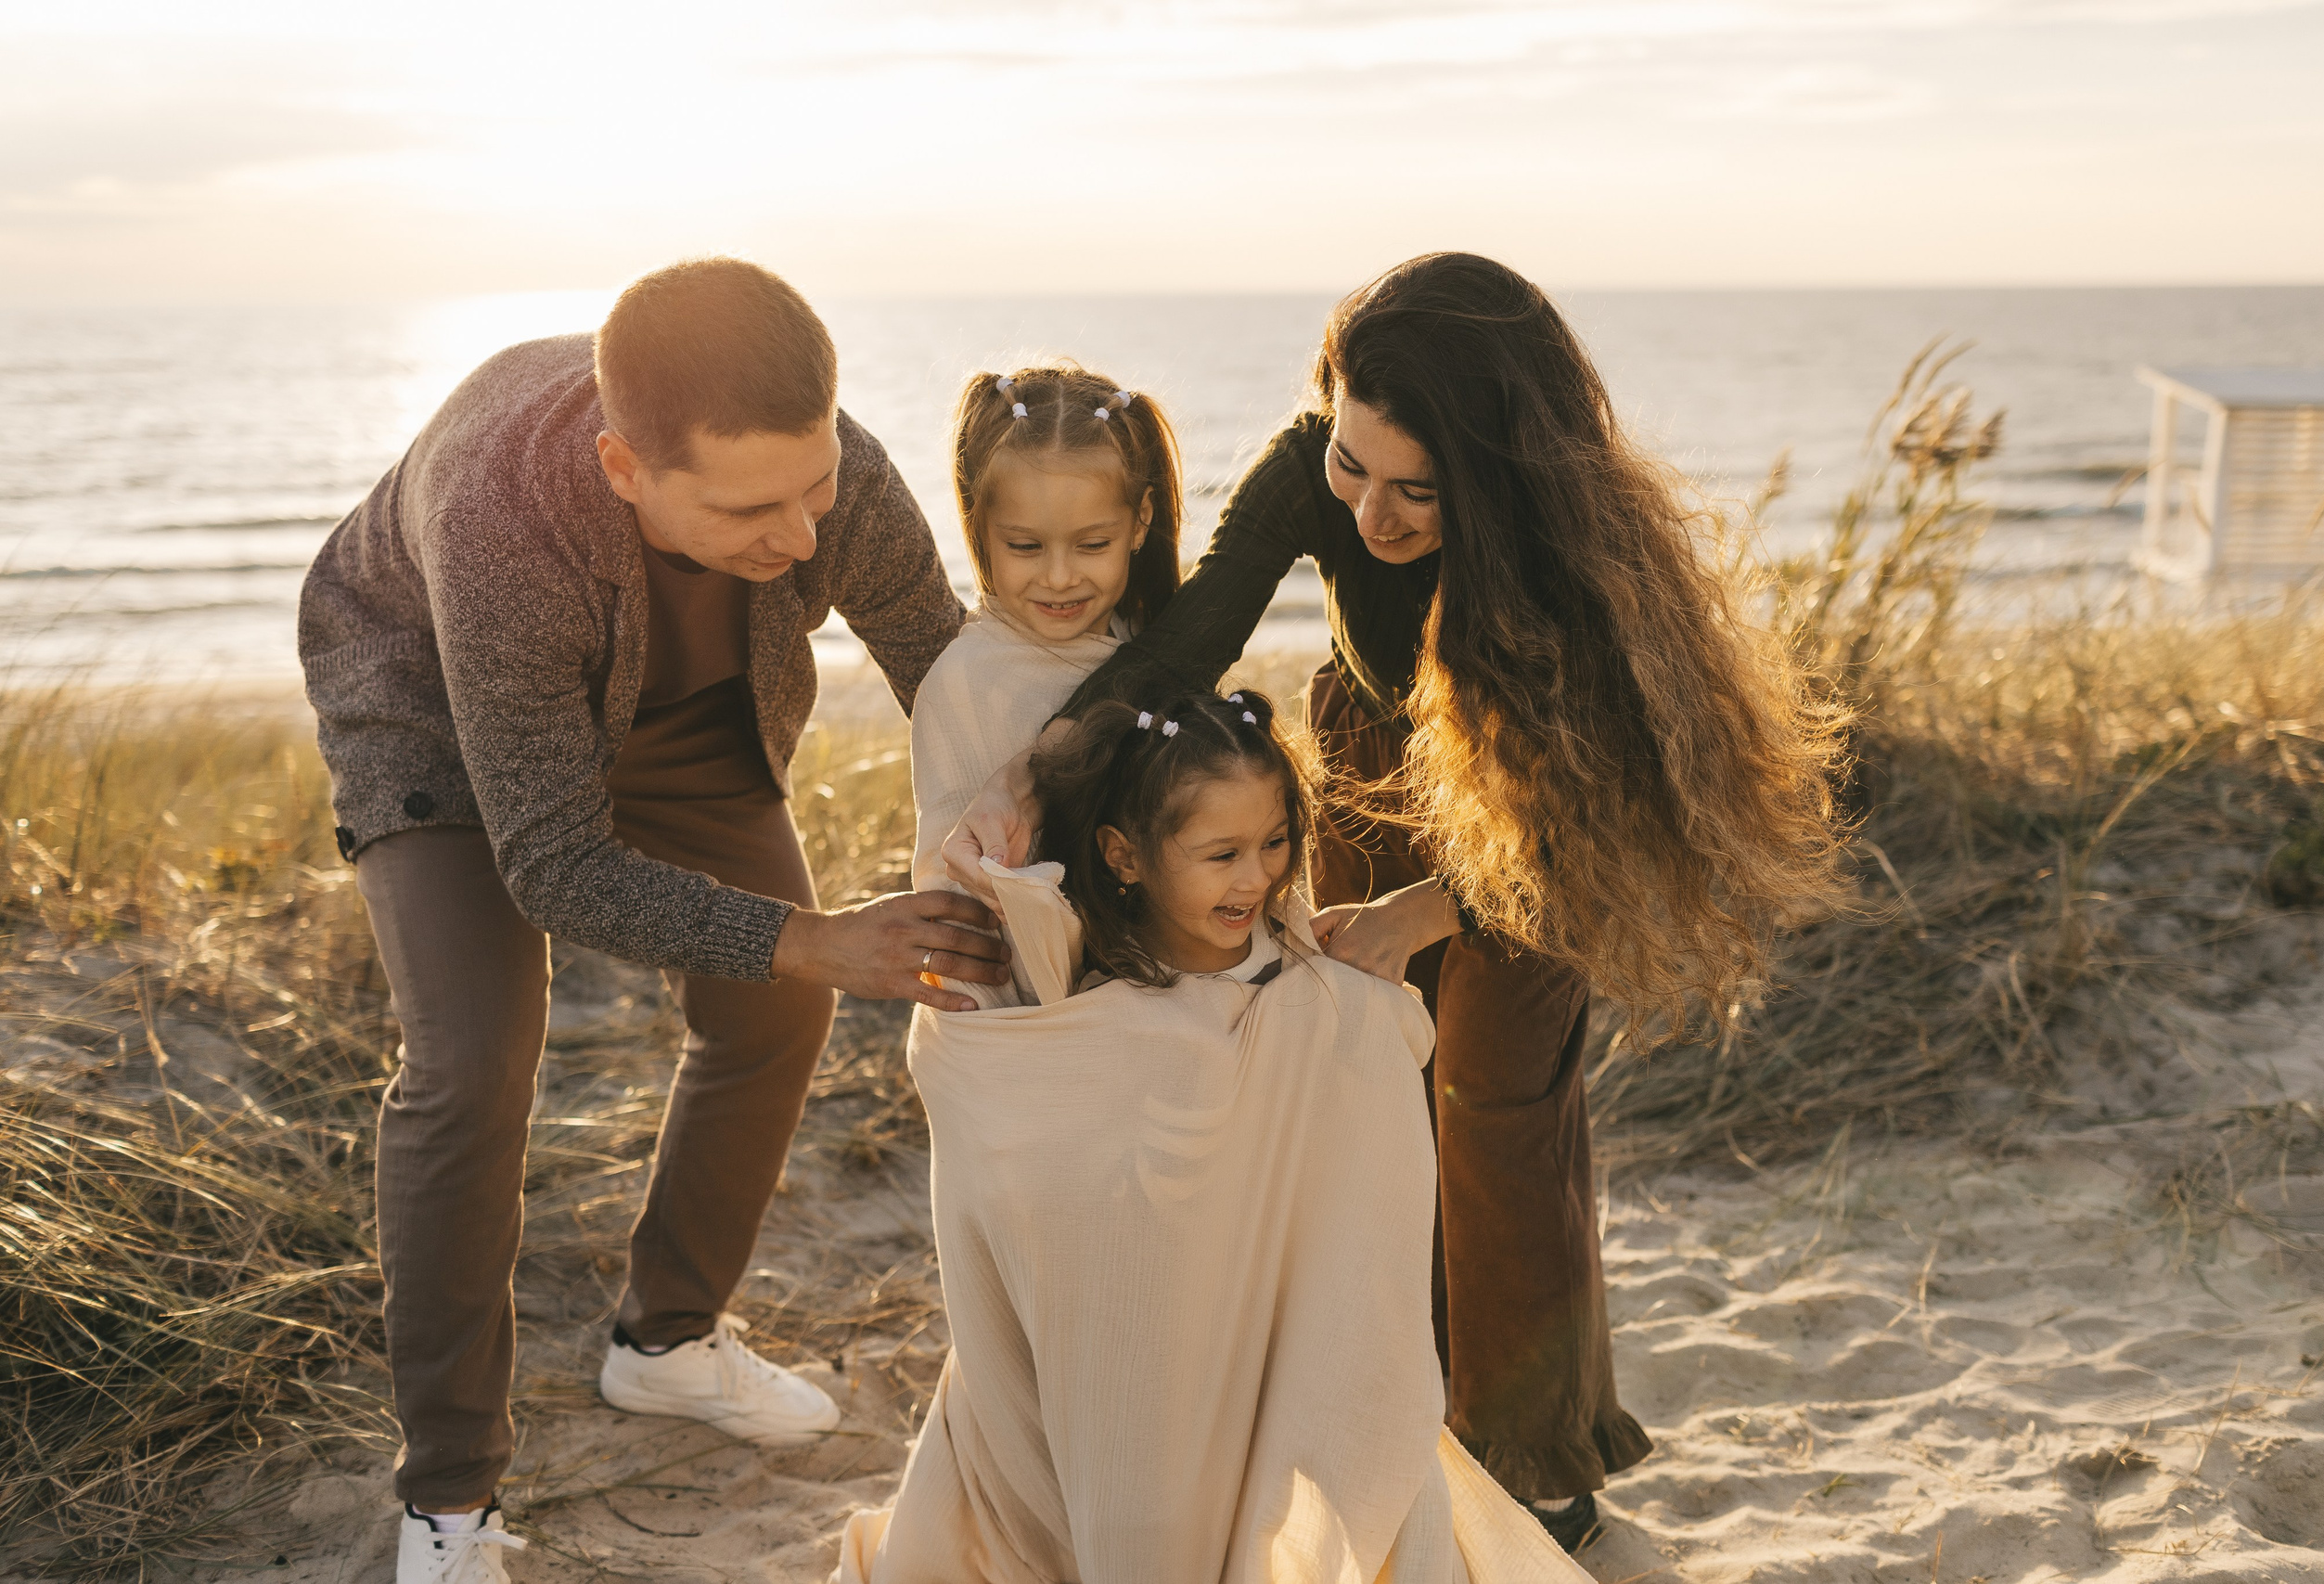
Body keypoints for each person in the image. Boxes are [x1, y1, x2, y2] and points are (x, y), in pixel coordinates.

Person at [944, 253, 1846, 1550]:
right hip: (1376, 767)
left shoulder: (1565, 564)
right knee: (1369, 1088)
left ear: (1495, 473)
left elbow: (1570, 831)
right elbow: (1192, 634)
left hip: (1539, 815)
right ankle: (1393, 1400)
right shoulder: (1309, 467)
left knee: (1492, 1109)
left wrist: (1423, 914)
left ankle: (1530, 1446)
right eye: (1355, 466)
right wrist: (1043, 765)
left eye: (1418, 489)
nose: (1371, 510)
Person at [297, 257, 1010, 1584]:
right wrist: (818, 932)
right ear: (627, 469)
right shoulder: (502, 518)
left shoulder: (821, 462)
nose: (803, 537)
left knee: (774, 994)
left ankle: (667, 1345)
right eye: (753, 508)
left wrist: (1072, 821)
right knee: (471, 1065)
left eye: (816, 489)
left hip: (682, 707)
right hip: (439, 717)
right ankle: (448, 1501)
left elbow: (945, 666)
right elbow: (555, 864)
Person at [840, 689, 1592, 1582]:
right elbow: (1011, 1147)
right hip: (1145, 1369)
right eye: (1221, 853)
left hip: (1275, 1353)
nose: (1256, 877)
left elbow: (1368, 1206)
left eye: (1274, 842)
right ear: (1124, 856)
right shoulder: (1083, 1013)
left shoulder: (1327, 1004)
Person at [907, 364, 1184, 908]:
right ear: (980, 526)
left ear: (1140, 521)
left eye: (1092, 545)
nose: (1059, 578)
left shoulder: (1157, 648)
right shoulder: (964, 685)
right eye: (1026, 547)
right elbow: (951, 886)